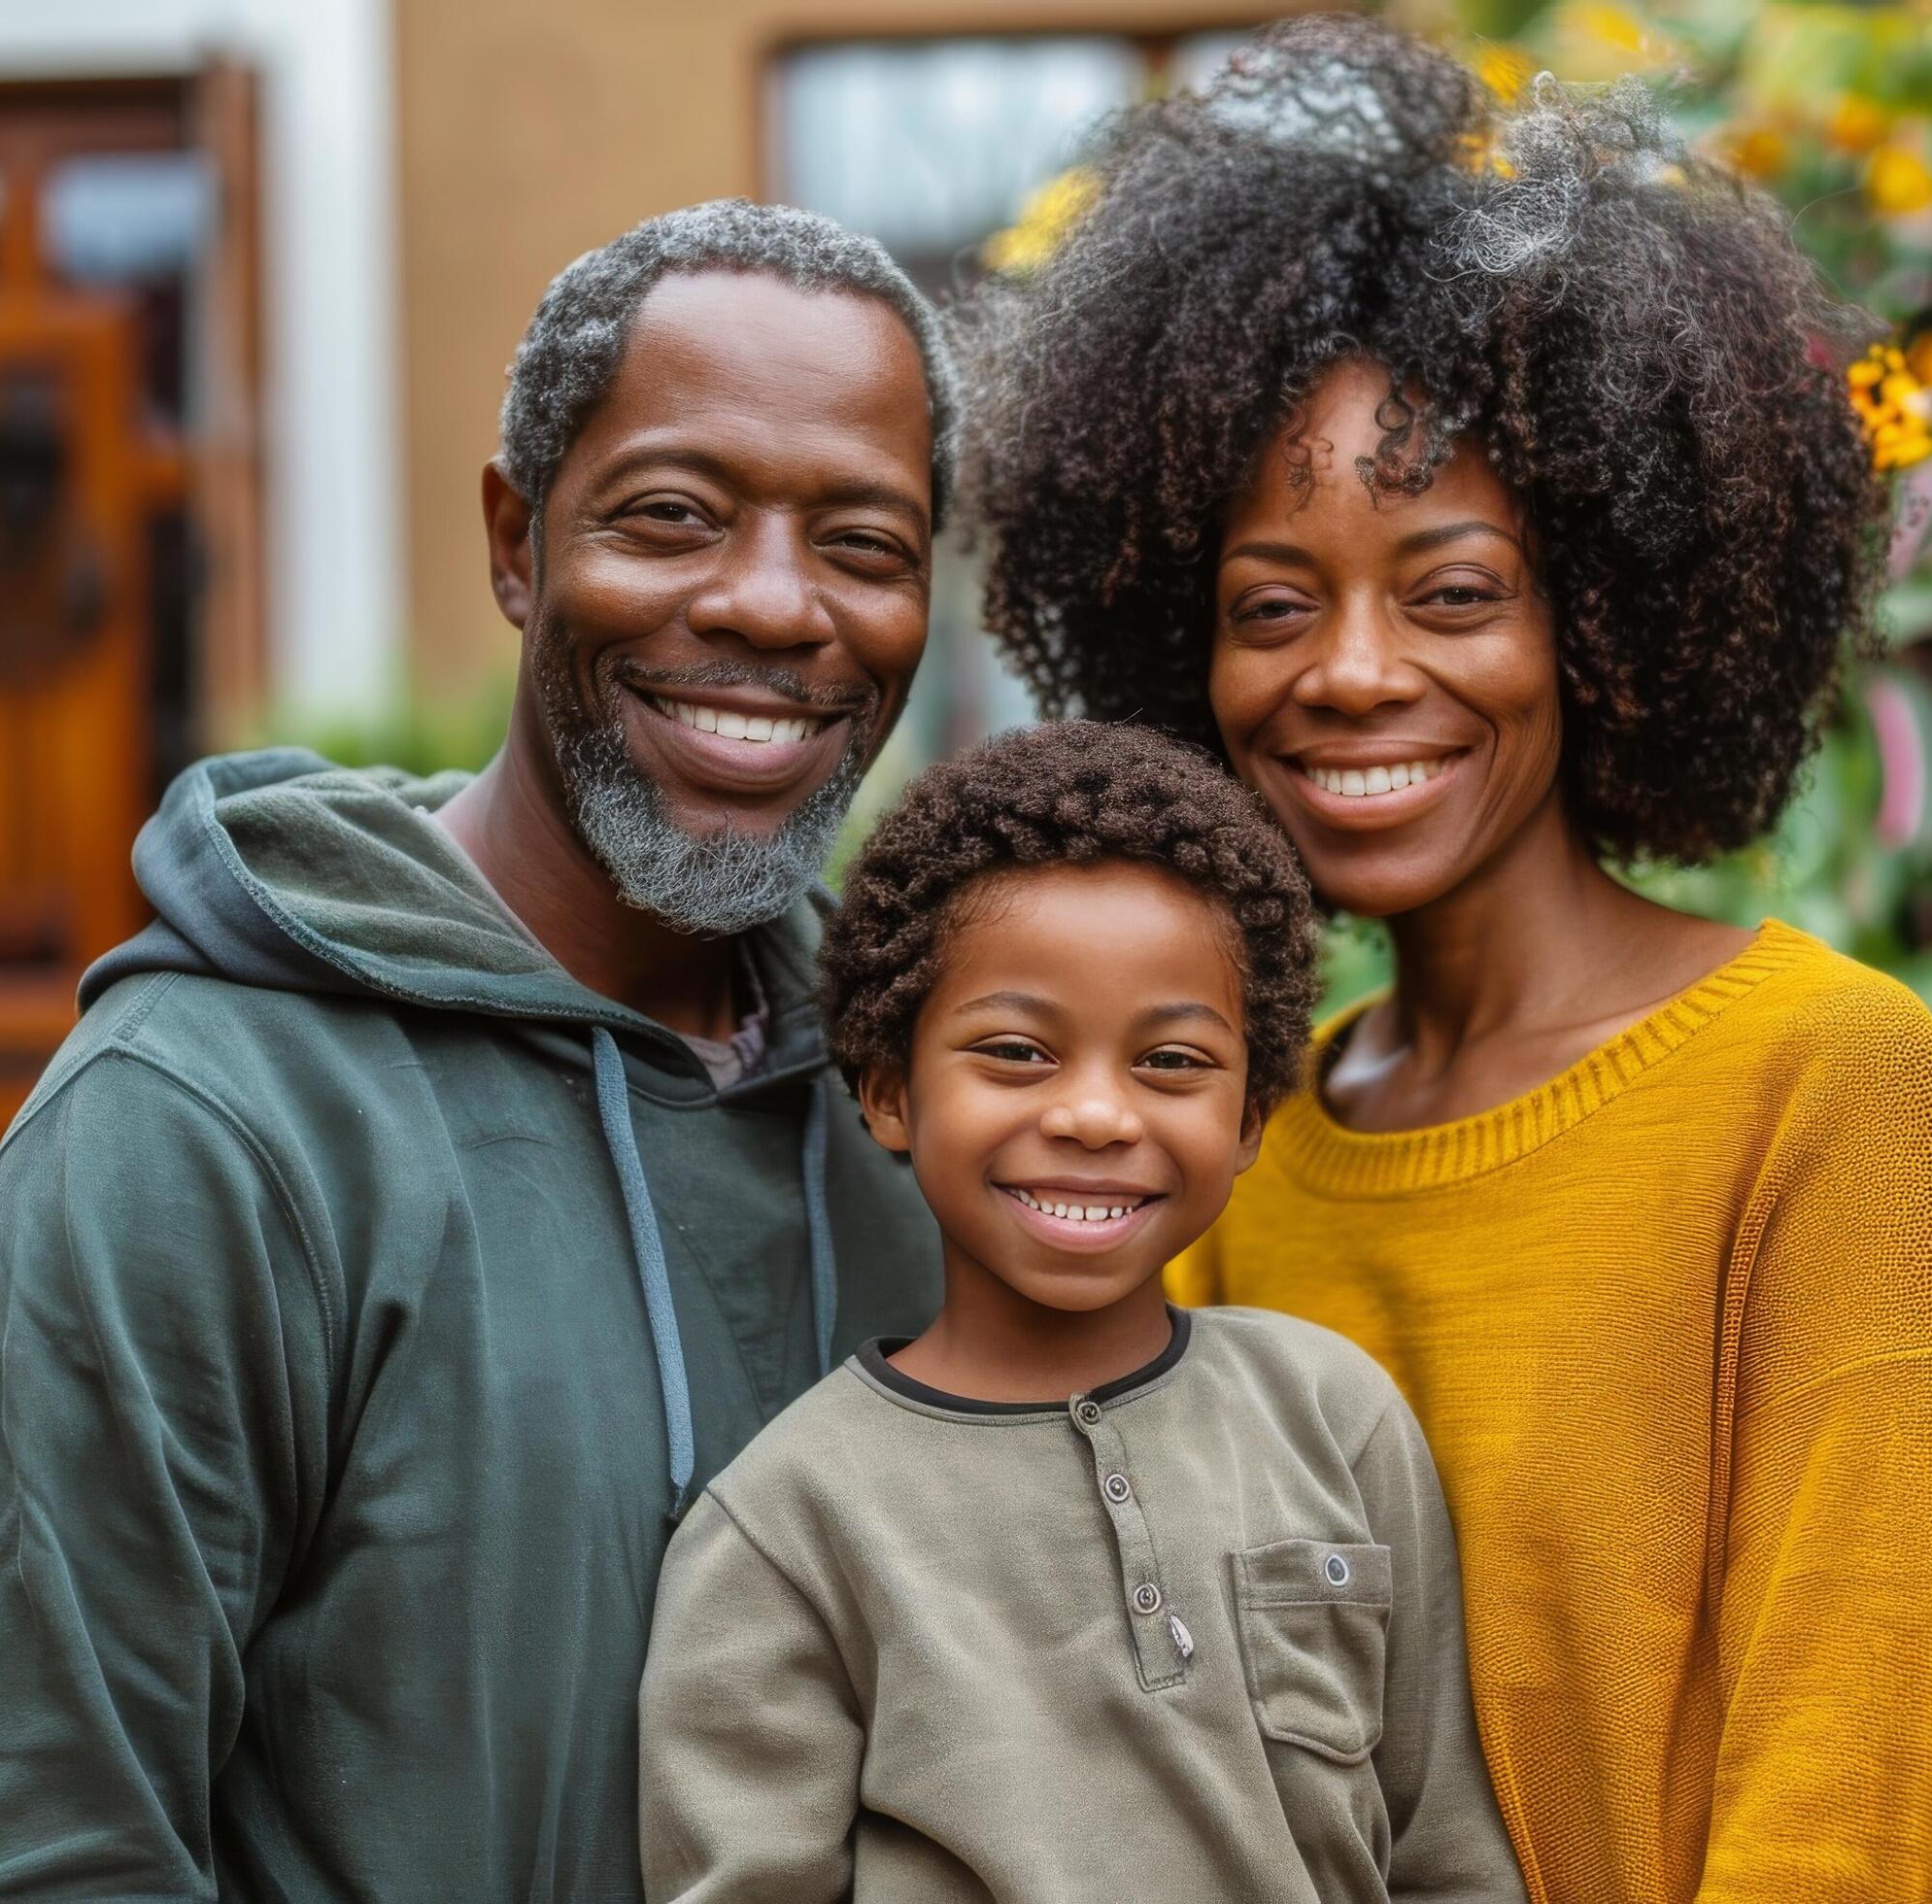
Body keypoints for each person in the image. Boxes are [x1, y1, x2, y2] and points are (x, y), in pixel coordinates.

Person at [961, 20, 1932, 1903]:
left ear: (1603, 614)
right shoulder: (1227, 1150)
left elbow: (1843, 1779)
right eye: (1271, 604)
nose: (1348, 671)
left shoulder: (1813, 1077)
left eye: (1449, 590)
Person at [0, 200, 955, 1899]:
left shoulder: (932, 1121)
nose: (771, 606)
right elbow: (39, 1856)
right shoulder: (199, 1132)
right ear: (516, 542)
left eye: (863, 545)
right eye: (671, 517)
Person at [637, 721, 1527, 1904]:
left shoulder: (1333, 1418)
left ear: (1252, 1116)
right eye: (1015, 1051)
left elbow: (1446, 1857)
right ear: (891, 1089)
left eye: (1169, 1062)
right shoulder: (784, 1531)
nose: (1098, 1114)